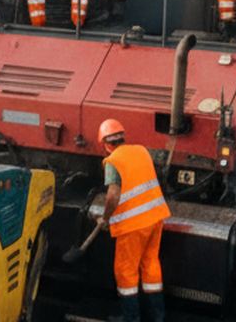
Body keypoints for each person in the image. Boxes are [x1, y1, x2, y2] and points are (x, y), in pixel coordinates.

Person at [94, 118, 168, 322]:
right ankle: (157, 316)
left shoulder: (113, 161)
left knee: (126, 271)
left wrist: (105, 218)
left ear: (106, 144)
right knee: (151, 264)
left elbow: (113, 195)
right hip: (156, 217)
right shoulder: (141, 151)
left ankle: (131, 318)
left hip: (133, 225)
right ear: (123, 138)